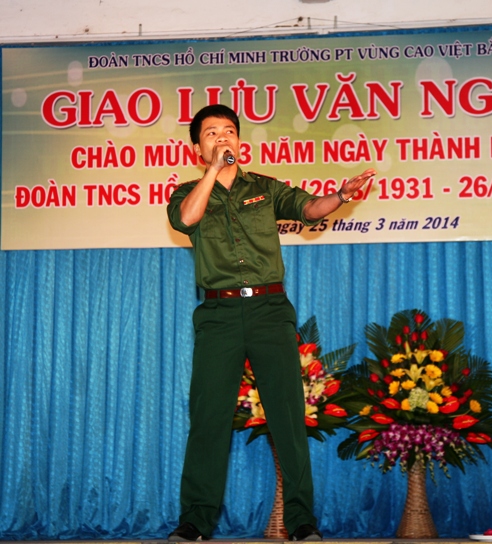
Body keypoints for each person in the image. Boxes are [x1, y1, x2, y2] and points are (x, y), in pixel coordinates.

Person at [166, 104, 375, 542]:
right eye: (211, 133)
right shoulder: (186, 192)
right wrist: (213, 172)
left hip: (269, 310)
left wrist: (341, 196)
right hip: (219, 314)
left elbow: (310, 209)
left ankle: (300, 521)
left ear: (240, 140)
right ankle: (196, 521)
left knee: (288, 415)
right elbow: (186, 219)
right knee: (208, 418)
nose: (222, 138)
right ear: (197, 148)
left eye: (228, 131)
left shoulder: (265, 188)